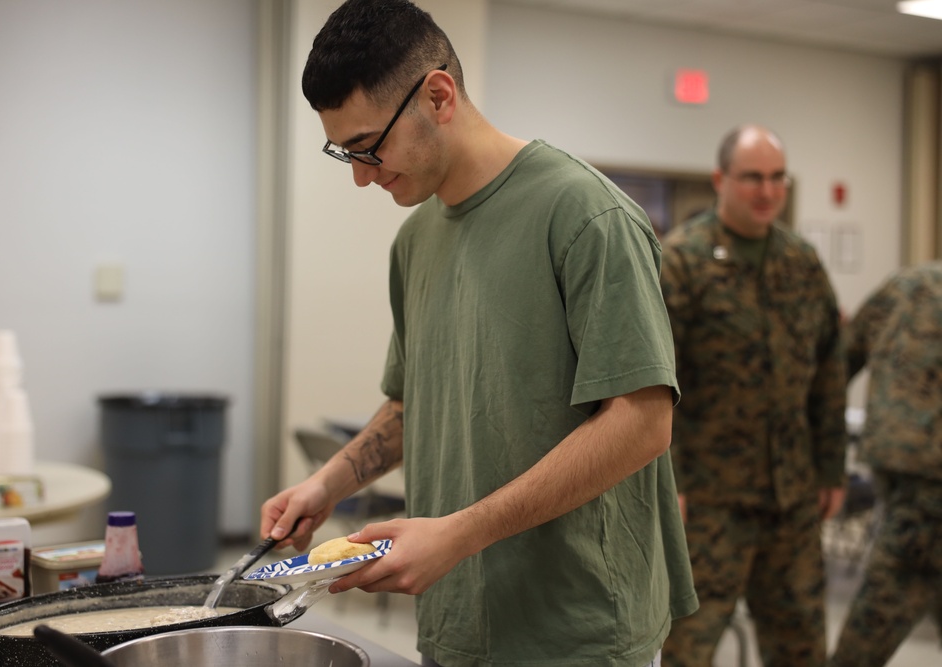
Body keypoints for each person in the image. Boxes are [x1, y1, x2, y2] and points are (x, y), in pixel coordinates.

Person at [259, 1, 698, 665]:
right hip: (458, 624)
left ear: (438, 95)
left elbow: (642, 424)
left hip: (578, 633)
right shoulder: (416, 240)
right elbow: (414, 404)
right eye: (343, 152)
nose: (360, 175)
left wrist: (460, 534)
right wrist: (327, 483)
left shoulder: (586, 216)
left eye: (369, 147)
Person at [659, 125, 848, 666]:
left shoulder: (802, 263)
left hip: (791, 497)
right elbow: (654, 382)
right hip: (707, 501)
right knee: (686, 649)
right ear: (721, 179)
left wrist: (831, 467)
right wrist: (668, 479)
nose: (766, 191)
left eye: (776, 178)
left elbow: (828, 371)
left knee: (802, 646)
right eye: (751, 178)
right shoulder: (682, 261)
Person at [828, 261, 942, 667]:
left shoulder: (906, 284)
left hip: (900, 473)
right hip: (927, 488)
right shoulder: (910, 287)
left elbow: (836, 363)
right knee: (883, 608)